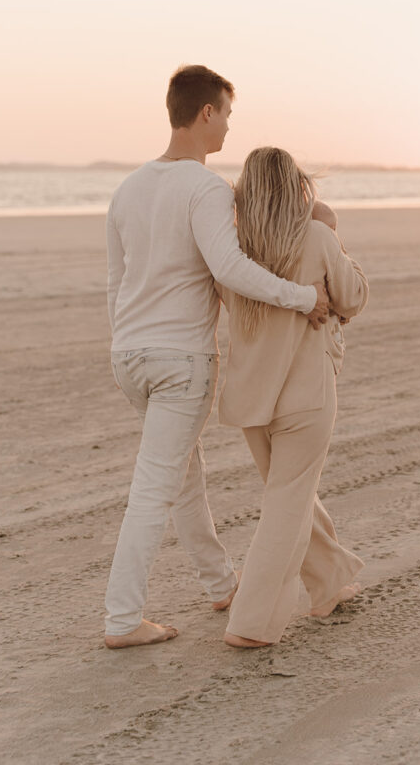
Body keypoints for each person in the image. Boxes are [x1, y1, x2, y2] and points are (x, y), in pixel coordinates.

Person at [104, 66, 329, 649]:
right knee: (157, 488)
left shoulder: (128, 188)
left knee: (183, 479)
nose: (229, 126)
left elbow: (116, 281)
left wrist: (126, 339)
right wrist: (303, 297)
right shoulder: (204, 189)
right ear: (206, 113)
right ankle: (122, 619)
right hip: (180, 361)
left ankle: (220, 582)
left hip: (129, 353)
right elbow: (230, 270)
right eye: (226, 113)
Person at [215, 147, 369, 648]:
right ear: (296, 186)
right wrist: (334, 236)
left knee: (290, 494)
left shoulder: (230, 250)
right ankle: (252, 624)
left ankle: (327, 583)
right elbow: (352, 298)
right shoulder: (317, 236)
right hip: (304, 394)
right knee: (287, 502)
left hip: (251, 400)